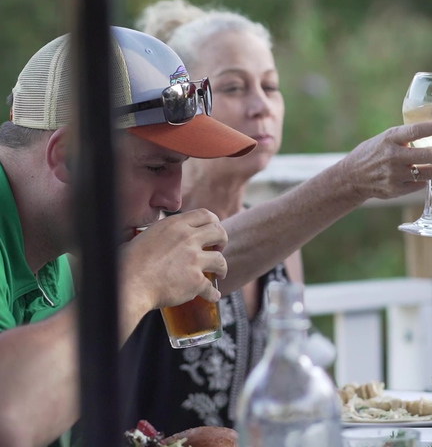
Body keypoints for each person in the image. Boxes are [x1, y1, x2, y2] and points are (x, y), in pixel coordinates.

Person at [119, 0, 432, 432]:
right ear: (184, 106)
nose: (261, 105)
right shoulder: (141, 221)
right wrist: (350, 180)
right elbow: (204, 255)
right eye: (233, 87)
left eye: (271, 85)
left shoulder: (281, 246)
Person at [0, 27, 260, 447]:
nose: (173, 199)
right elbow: (8, 417)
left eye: (180, 168)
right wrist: (137, 281)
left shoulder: (57, 251)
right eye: (157, 167)